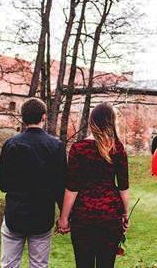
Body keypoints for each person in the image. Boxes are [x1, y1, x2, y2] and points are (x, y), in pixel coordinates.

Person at [57, 103, 130, 268]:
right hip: (110, 216)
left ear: (91, 122)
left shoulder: (78, 149)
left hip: (83, 217)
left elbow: (72, 188)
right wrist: (125, 214)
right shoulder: (118, 149)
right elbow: (123, 187)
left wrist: (64, 218)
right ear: (112, 122)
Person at [0, 98, 66, 268]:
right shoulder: (56, 146)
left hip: (15, 213)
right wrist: (64, 216)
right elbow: (60, 186)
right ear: (44, 117)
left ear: (23, 118)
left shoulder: (11, 144)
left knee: (9, 265)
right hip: (42, 215)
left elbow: (3, 184)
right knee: (39, 265)